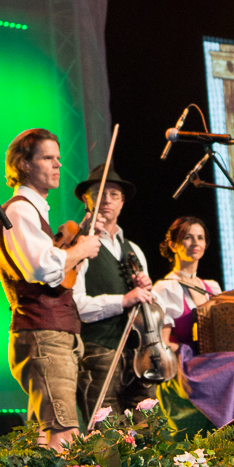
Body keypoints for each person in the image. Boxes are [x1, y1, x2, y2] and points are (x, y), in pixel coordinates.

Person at [0, 129, 100, 449]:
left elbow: (58, 274)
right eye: (47, 158)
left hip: (52, 333)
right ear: (24, 164)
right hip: (43, 333)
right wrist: (81, 250)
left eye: (58, 158)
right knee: (63, 434)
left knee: (43, 433)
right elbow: (42, 268)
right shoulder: (20, 209)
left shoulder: (33, 209)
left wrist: (75, 257)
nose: (58, 164)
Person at [151, 217, 234, 432]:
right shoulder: (165, 288)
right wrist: (185, 349)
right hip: (187, 365)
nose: (195, 242)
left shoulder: (211, 287)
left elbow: (230, 332)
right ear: (172, 244)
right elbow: (162, 345)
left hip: (213, 361)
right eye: (188, 237)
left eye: (200, 238)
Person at [71, 164, 159, 421]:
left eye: (114, 194)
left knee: (146, 430)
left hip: (140, 356)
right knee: (106, 433)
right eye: (99, 194)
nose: (107, 200)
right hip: (99, 351)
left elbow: (147, 307)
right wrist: (123, 300)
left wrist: (147, 292)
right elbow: (77, 306)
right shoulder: (79, 247)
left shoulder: (134, 249)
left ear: (122, 202)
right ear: (86, 199)